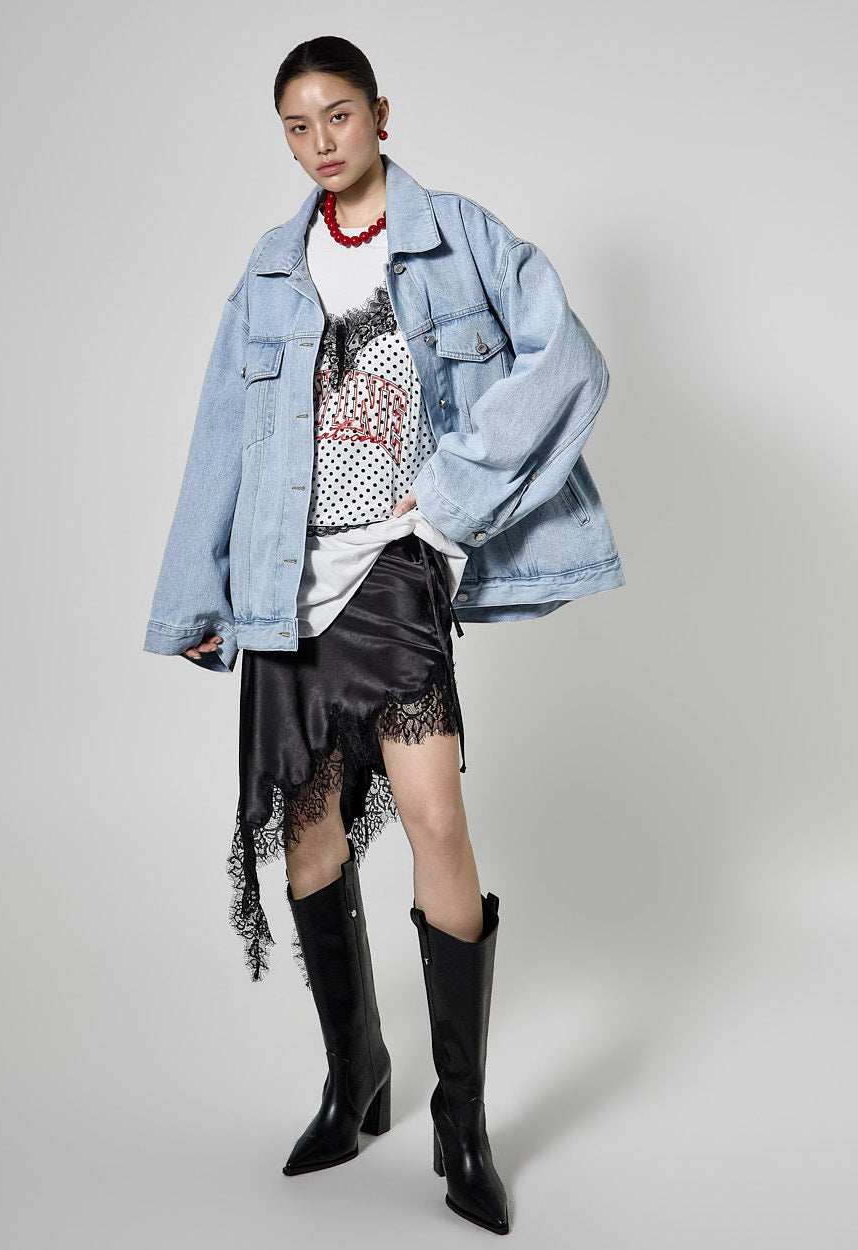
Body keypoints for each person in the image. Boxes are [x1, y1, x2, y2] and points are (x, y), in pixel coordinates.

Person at [143, 34, 624, 1236]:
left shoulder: (457, 235)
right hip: (282, 577)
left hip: (394, 564)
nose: (321, 142)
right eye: (297, 126)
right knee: (310, 834)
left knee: (433, 816)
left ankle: (463, 1122)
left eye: (339, 116)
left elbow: (566, 358)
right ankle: (353, 1072)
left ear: (380, 114)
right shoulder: (269, 268)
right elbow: (221, 432)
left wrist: (450, 497)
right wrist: (199, 590)